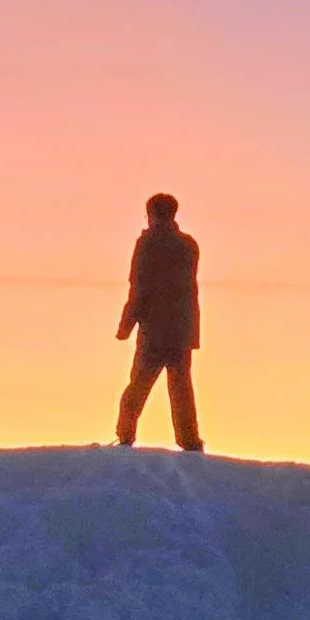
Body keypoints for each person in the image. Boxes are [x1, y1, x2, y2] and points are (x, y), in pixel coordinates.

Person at [114, 192, 204, 452]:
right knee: (181, 389)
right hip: (182, 330)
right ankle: (189, 441)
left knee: (139, 384)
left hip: (154, 330)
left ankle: (125, 436)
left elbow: (139, 286)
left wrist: (126, 325)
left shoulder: (148, 243)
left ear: (152, 214)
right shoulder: (188, 245)